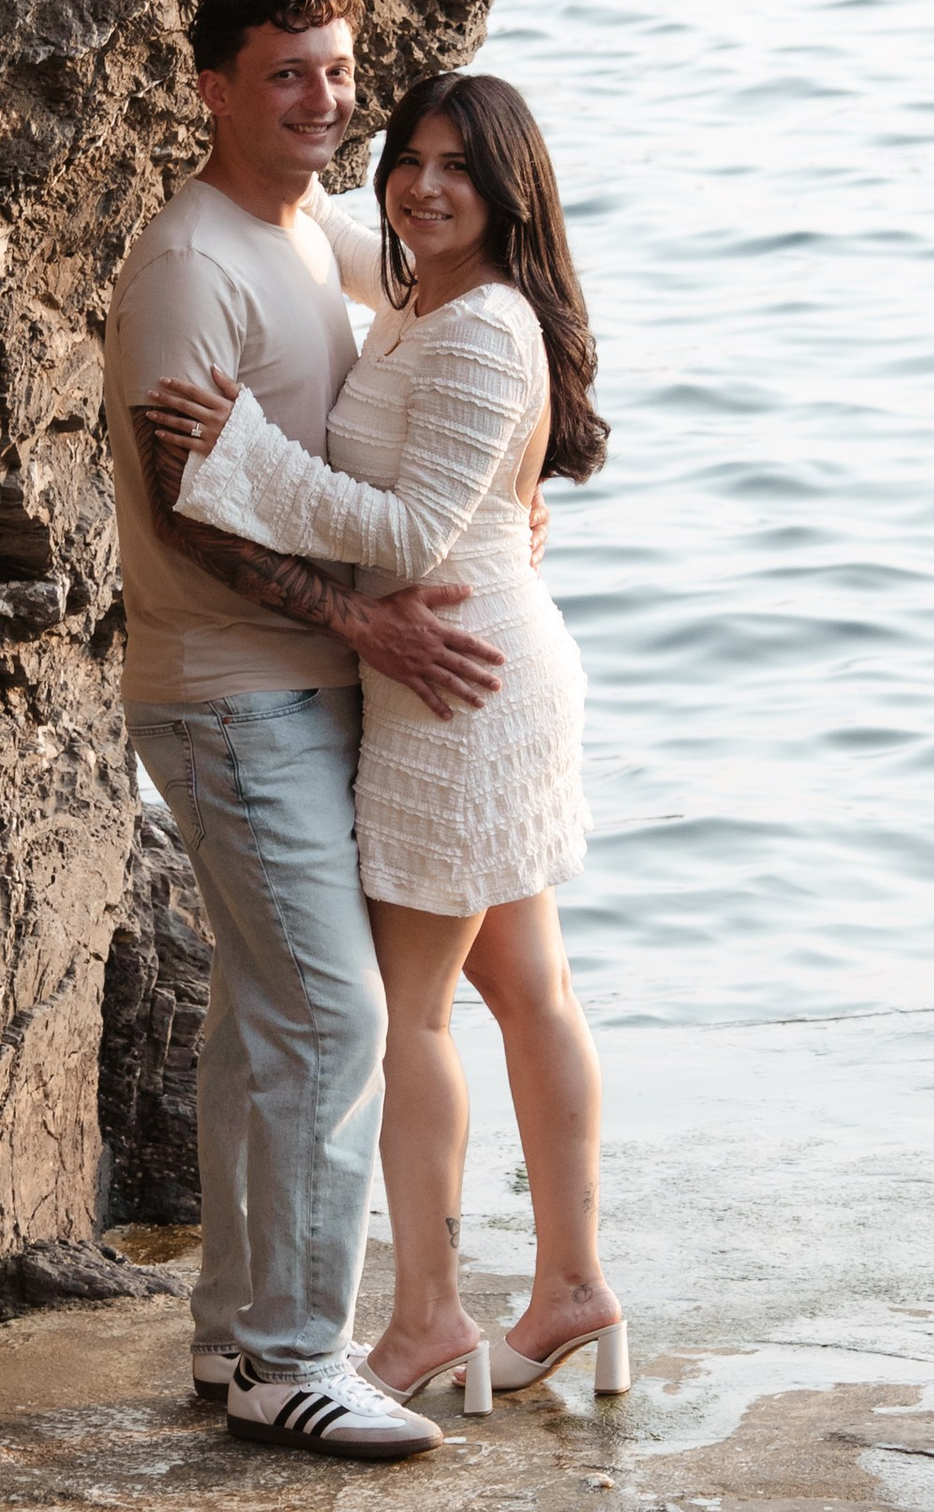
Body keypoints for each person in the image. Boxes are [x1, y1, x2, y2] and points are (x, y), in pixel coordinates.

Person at [149, 69, 626, 1417]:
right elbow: (327, 242)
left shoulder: (476, 329)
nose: (422, 186)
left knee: (409, 1010)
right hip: (482, 671)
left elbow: (412, 536)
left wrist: (236, 449)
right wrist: (271, 187)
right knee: (528, 987)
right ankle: (574, 1290)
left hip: (455, 689)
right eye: (406, 157)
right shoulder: (423, 289)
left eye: (456, 169)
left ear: (508, 187)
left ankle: (424, 1321)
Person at [103, 0, 506, 1460]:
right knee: (334, 1016)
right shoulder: (187, 263)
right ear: (213, 87)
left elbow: (456, 312)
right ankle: (295, 1359)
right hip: (229, 692)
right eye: (286, 73)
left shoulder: (309, 236)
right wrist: (365, 620)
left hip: (300, 688)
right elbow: (183, 504)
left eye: (339, 73)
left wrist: (514, 500)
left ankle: (234, 1342)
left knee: (257, 1023)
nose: (324, 100)